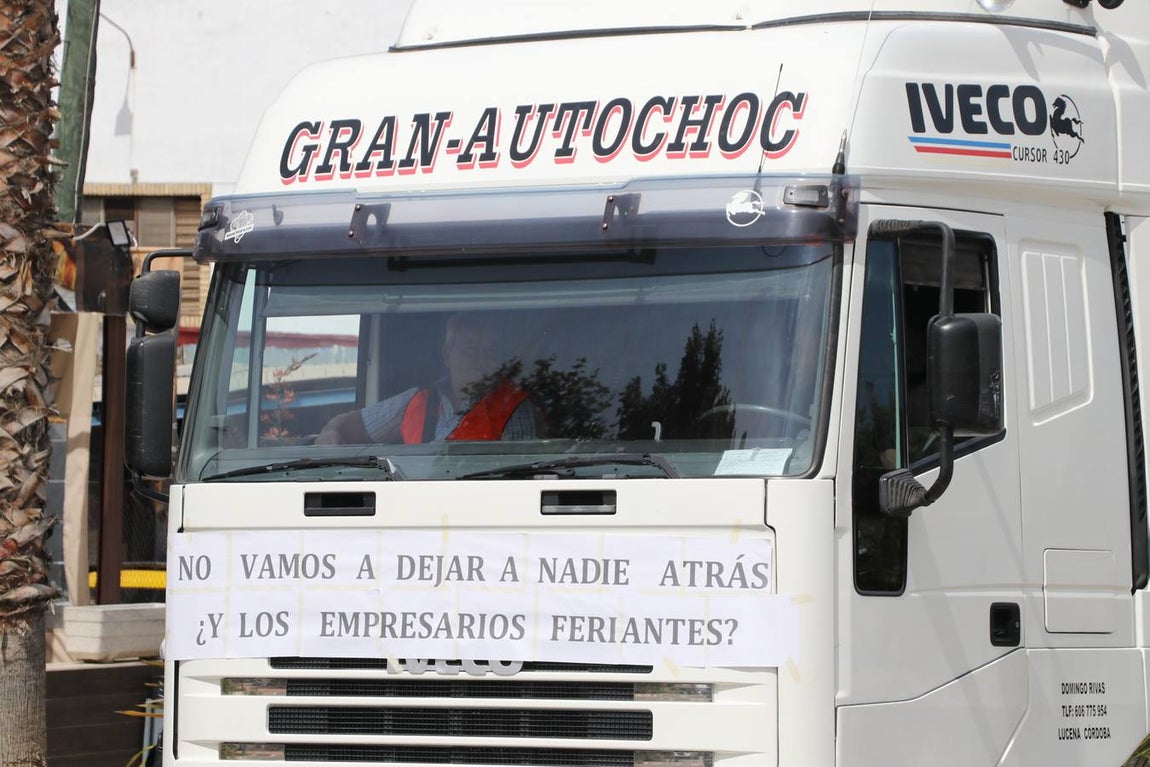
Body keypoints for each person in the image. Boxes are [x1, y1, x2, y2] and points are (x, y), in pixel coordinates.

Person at [317, 314, 541, 444]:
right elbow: (345, 426)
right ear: (447, 354)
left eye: (490, 351)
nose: (480, 361)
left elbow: (519, 483)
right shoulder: (415, 402)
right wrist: (330, 438)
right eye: (470, 350)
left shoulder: (514, 409)